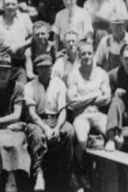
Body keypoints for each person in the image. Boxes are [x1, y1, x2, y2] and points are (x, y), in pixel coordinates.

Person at [24, 54, 76, 191]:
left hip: (56, 118)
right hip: (37, 120)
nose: (45, 71)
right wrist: (46, 128)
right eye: (41, 68)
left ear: (51, 67)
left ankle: (68, 173)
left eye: (47, 67)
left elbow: (63, 110)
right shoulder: (29, 86)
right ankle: (39, 174)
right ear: (36, 69)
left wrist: (57, 128)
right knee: (36, 135)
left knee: (69, 131)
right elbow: (31, 113)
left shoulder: (58, 83)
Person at [66, 40, 111, 186]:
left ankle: (106, 171)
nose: (86, 56)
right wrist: (93, 95)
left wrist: (83, 98)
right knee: (81, 140)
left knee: (114, 136)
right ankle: (80, 169)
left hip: (98, 114)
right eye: (83, 53)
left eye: (89, 53)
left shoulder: (102, 73)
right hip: (81, 115)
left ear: (93, 54)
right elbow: (72, 102)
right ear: (78, 55)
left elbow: (106, 98)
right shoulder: (74, 75)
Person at [0, 56, 32, 192]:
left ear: (11, 72)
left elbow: (16, 115)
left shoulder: (18, 87)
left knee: (16, 146)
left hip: (15, 130)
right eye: (0, 70)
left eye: (6, 71)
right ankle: (6, 185)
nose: (3, 74)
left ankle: (12, 185)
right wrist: (5, 124)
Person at [94, 8, 128, 72]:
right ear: (110, 26)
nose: (117, 27)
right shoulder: (105, 41)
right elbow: (97, 62)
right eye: (114, 24)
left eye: (120, 25)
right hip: (111, 78)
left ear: (125, 25)